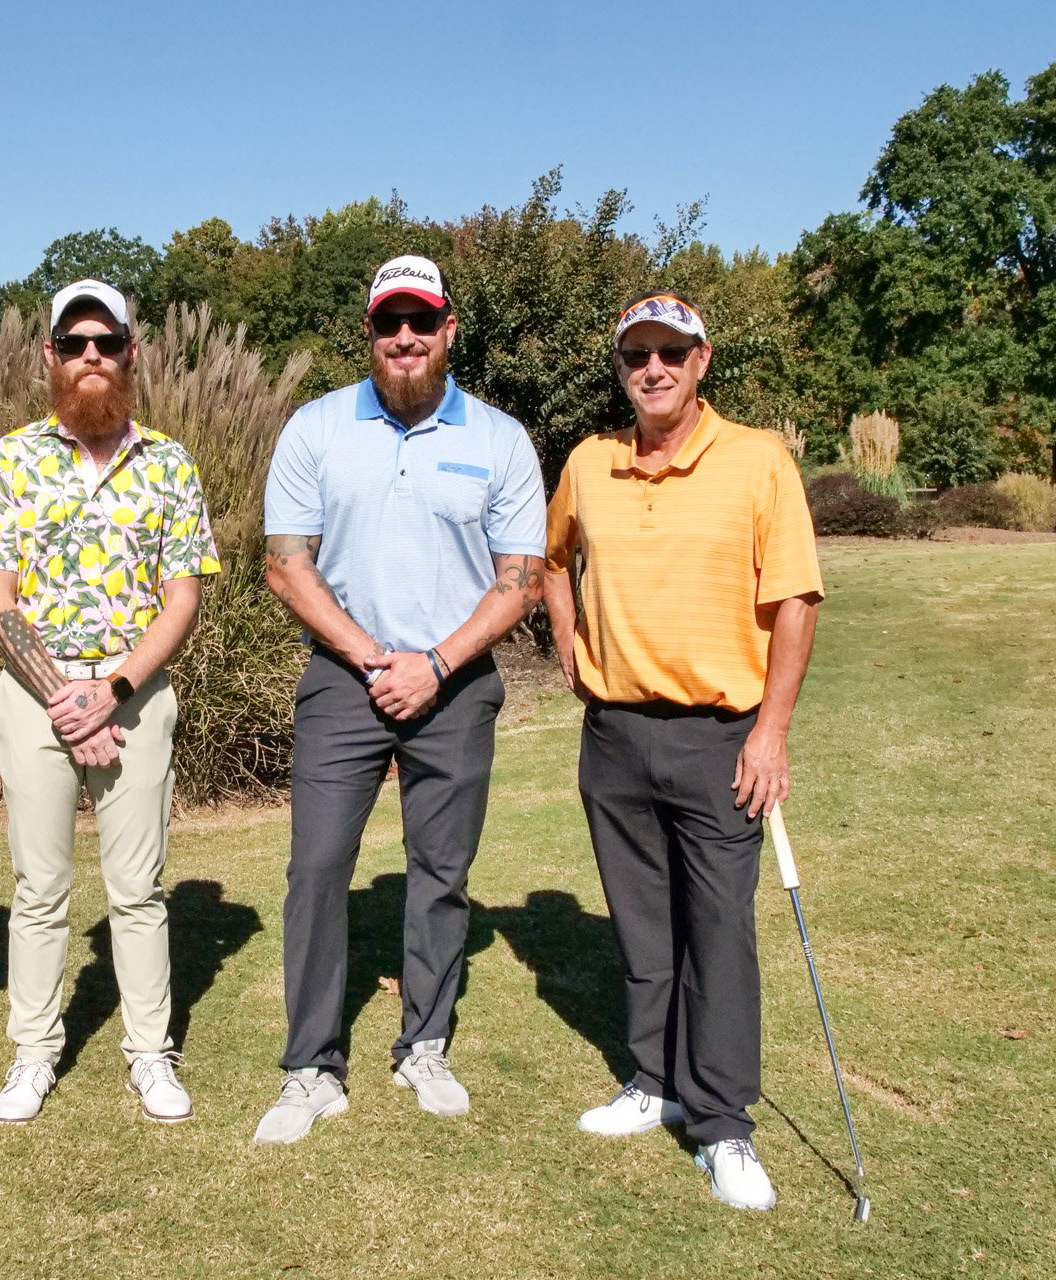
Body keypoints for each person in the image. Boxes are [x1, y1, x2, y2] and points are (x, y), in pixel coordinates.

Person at [253, 255, 547, 1145]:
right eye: (390, 322)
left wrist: (437, 663)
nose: (406, 337)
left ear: (449, 327)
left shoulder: (500, 438)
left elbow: (520, 581)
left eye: (422, 320)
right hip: (345, 678)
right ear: (371, 332)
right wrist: (374, 655)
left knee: (441, 870)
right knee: (316, 869)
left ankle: (424, 1043)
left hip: (455, 681)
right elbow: (285, 564)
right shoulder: (316, 427)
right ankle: (311, 1065)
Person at [542, 290, 824, 1211]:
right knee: (641, 923)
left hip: (720, 738)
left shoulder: (758, 459)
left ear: (702, 361)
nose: (653, 368)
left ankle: (723, 1120)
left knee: (719, 932)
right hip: (616, 734)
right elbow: (549, 558)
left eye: (671, 351)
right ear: (621, 368)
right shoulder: (589, 462)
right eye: (637, 354)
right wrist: (568, 642)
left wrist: (772, 731)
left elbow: (795, 600)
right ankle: (655, 1079)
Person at [0, 278, 221, 1126]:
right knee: (39, 886)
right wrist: (64, 699)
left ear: (131, 352)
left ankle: (149, 1051)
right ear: (51, 355)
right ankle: (34, 1052)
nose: (91, 355)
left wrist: (111, 692)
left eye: (106, 341)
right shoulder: (11, 458)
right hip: (35, 697)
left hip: (133, 694)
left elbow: (182, 598)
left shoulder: (168, 463)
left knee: (137, 888)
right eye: (74, 343)